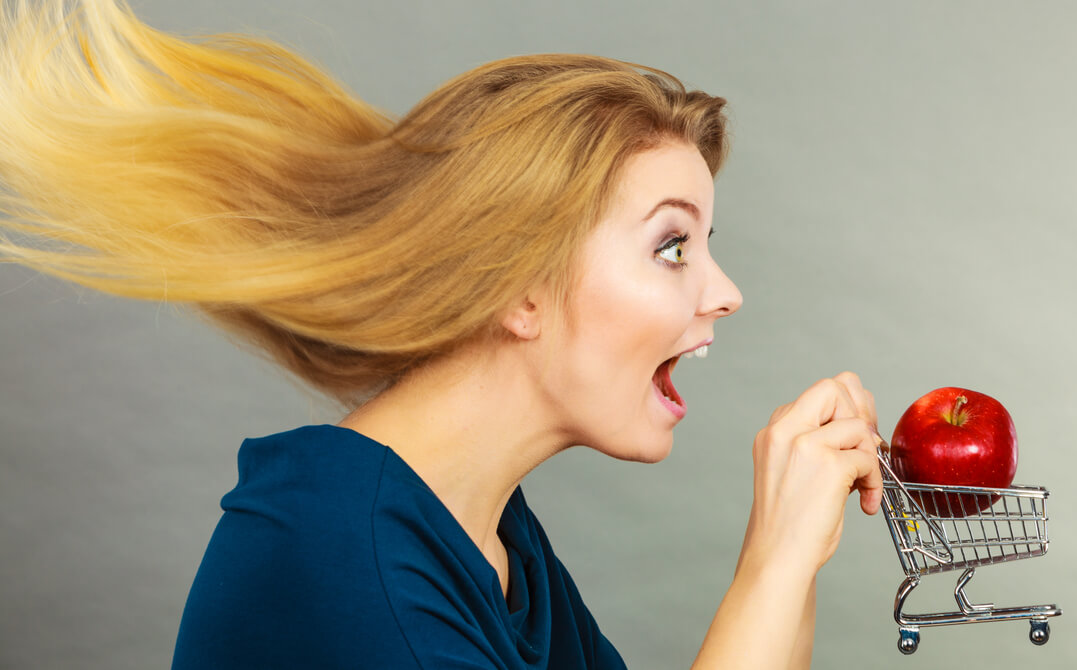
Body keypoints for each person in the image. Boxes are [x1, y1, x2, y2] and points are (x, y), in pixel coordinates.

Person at [0, 1, 884, 668]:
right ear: (518, 287)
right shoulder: (347, 564)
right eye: (671, 245)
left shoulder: (484, 542)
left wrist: (791, 560)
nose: (724, 293)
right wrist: (770, 564)